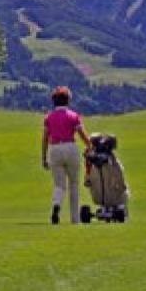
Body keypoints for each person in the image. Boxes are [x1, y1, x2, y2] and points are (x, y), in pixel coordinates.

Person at [41, 86, 91, 224]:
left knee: (59, 185)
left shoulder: (49, 118)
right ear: (68, 100)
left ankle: (57, 204)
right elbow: (82, 134)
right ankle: (75, 219)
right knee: (74, 184)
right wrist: (90, 146)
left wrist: (43, 158)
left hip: (55, 149)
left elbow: (45, 138)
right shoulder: (74, 116)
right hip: (70, 148)